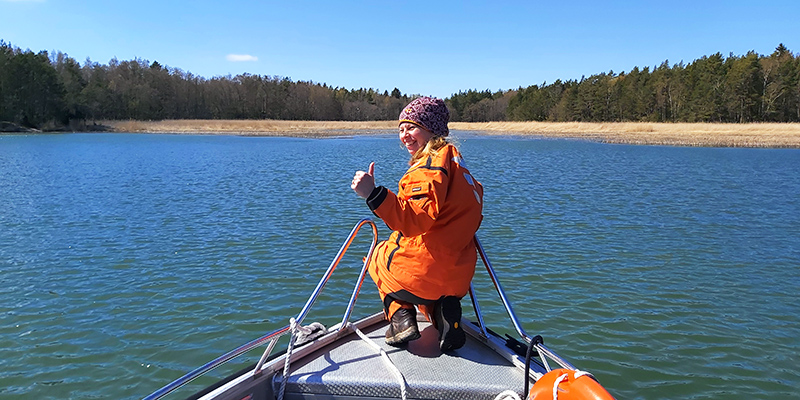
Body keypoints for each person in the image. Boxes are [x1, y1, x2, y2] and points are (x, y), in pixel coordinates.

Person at [350, 96, 484, 352]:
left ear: (432, 129)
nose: (404, 136)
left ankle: (401, 319)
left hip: (421, 273)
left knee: (377, 257)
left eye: (411, 127)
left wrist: (373, 194)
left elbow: (412, 220)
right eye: (401, 129)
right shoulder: (462, 172)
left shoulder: (430, 167)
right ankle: (442, 313)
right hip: (457, 279)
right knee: (424, 280)